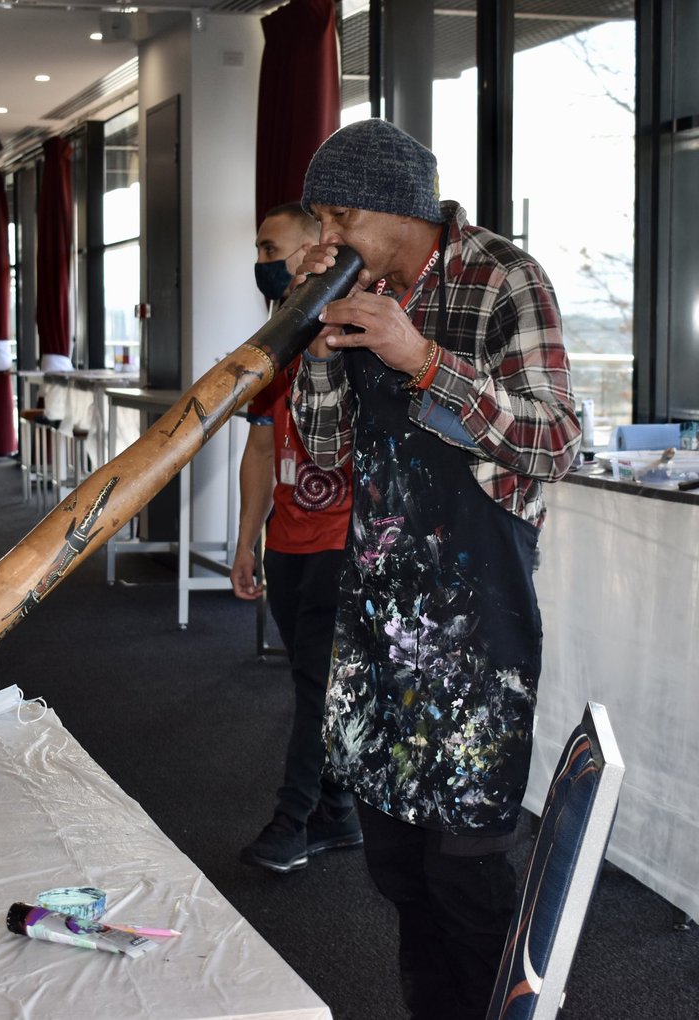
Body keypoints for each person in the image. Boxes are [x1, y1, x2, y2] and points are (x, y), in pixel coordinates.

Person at [289, 119, 580, 1019]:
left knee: (465, 870)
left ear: (401, 207)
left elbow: (559, 440)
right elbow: (326, 466)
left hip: (477, 623)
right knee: (397, 872)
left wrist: (421, 359)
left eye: (340, 218)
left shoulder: (504, 279)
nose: (326, 240)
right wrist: (319, 348)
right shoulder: (353, 282)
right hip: (377, 617)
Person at [232, 202, 361, 874]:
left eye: (271, 247)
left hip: (344, 540)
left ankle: (296, 818)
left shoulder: (350, 328)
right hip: (287, 541)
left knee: (318, 684)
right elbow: (258, 450)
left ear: (318, 249)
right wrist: (247, 538)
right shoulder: (272, 344)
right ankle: (338, 814)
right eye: (257, 250)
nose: (263, 261)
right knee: (312, 680)